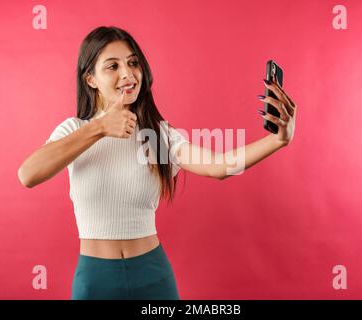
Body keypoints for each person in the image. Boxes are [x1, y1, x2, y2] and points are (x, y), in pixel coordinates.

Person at [17, 26, 297, 300]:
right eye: (112, 66)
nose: (127, 74)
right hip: (95, 279)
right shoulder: (74, 130)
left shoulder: (157, 134)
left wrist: (278, 140)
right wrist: (99, 128)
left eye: (133, 63)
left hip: (152, 274)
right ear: (90, 79)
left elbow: (219, 166)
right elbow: (28, 174)